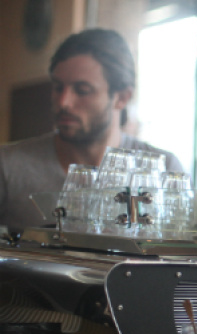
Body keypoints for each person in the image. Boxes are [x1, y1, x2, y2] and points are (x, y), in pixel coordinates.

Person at [0, 28, 183, 232]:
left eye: (82, 90)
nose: (64, 102)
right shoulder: (9, 166)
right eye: (58, 88)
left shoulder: (164, 171)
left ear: (122, 98)